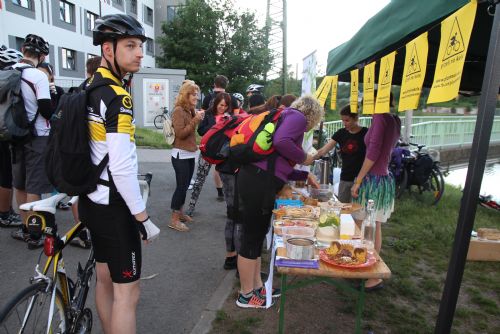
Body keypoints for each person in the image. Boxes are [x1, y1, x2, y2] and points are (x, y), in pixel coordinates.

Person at [79, 14, 160, 334]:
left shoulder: (89, 87)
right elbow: (122, 167)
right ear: (108, 50)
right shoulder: (116, 97)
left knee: (104, 279)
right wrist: (142, 218)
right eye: (130, 45)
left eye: (140, 45)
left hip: (90, 201)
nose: (140, 52)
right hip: (114, 207)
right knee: (128, 292)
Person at [236, 95, 323, 308]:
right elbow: (281, 142)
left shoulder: (287, 116)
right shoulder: (297, 118)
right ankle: (245, 294)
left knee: (255, 237)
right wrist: (305, 158)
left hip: (258, 179)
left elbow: (278, 165)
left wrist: (304, 176)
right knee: (251, 237)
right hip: (258, 182)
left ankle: (257, 287)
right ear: (313, 114)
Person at [9, 34, 58, 248]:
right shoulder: (38, 76)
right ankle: (34, 233)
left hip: (12, 135)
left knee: (19, 183)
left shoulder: (7, 72)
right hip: (37, 136)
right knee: (34, 186)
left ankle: (24, 227)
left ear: (22, 50)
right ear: (42, 55)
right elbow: (47, 111)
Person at [351, 95, 400, 292]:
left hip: (373, 181)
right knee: (372, 226)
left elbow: (373, 153)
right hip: (384, 179)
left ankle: (372, 275)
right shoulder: (393, 118)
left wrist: (359, 179)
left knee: (368, 227)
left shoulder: (380, 117)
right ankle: (366, 269)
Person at [168, 80, 204, 232]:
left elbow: (190, 134)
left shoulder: (190, 110)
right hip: (180, 155)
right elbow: (181, 134)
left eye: (197, 94)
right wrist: (196, 120)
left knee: (185, 186)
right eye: (194, 94)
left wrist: (196, 116)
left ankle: (180, 213)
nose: (196, 97)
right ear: (186, 95)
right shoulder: (178, 111)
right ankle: (174, 219)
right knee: (181, 187)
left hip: (189, 154)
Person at [315, 105, 368, 202]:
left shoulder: (366, 133)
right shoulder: (341, 133)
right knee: (343, 208)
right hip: (345, 178)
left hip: (363, 179)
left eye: (347, 120)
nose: (344, 123)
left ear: (356, 118)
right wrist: (308, 157)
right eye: (343, 120)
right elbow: (323, 150)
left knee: (360, 210)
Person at [0, 45, 23, 228]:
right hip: (6, 133)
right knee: (6, 175)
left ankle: (4, 211)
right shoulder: (12, 79)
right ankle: (5, 214)